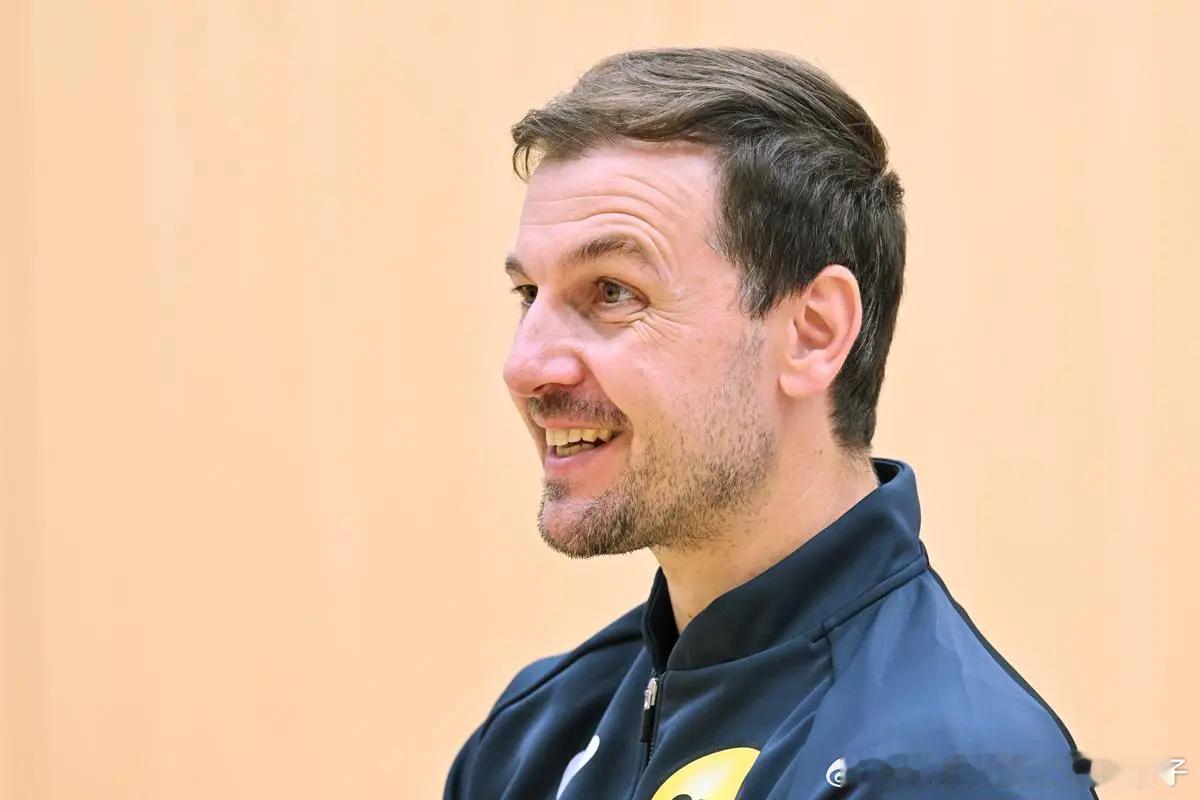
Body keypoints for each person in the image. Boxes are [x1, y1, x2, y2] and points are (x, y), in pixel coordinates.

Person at [445, 47, 1097, 799]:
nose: (526, 366)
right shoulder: (531, 740)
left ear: (813, 332)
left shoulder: (945, 771)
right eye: (529, 294)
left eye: (613, 292)